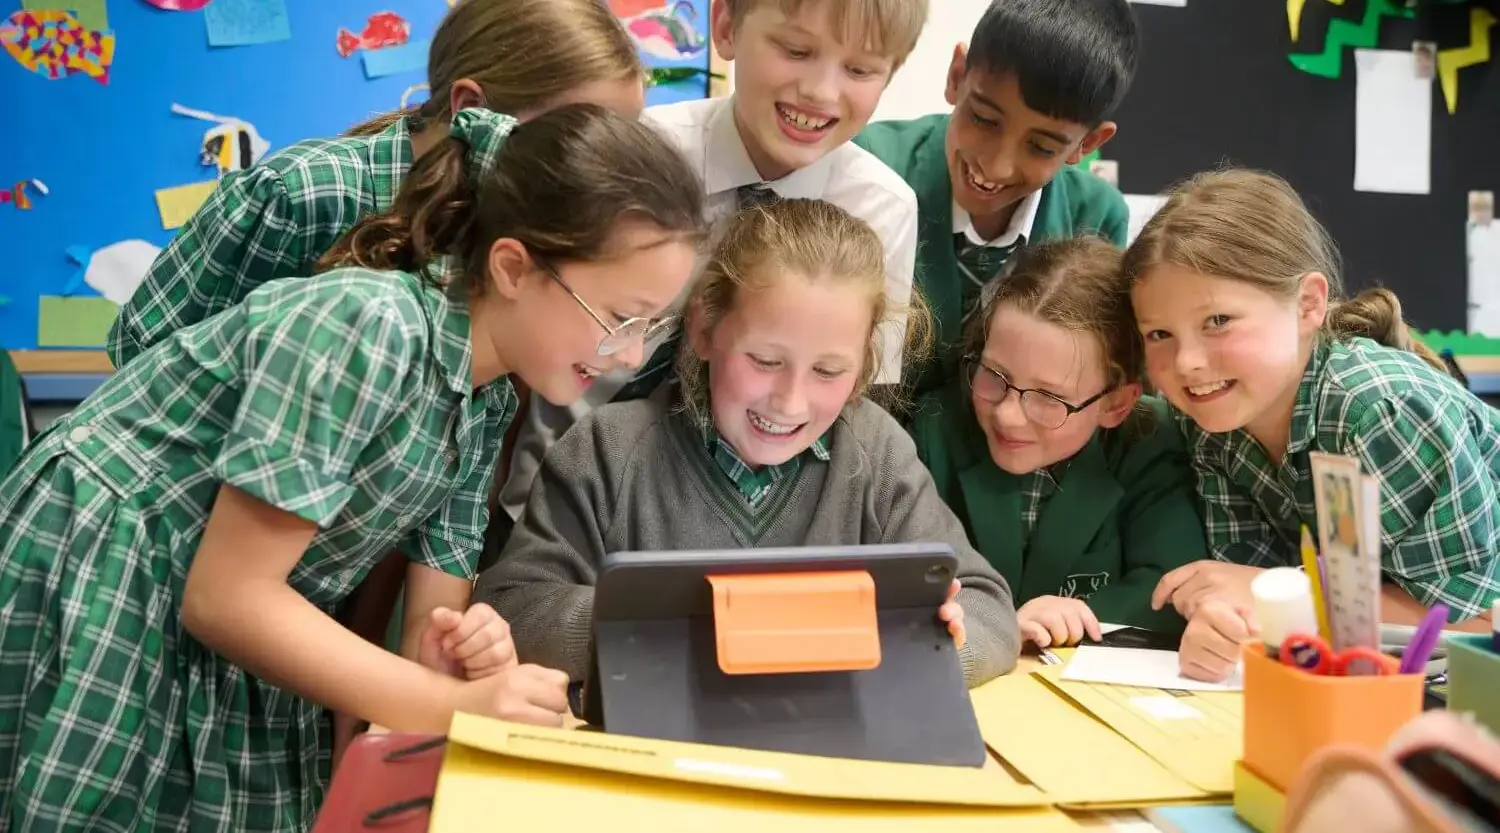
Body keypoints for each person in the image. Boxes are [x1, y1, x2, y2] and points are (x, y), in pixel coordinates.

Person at [0, 105, 705, 832]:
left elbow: (426, 641)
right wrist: (455, 705)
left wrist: (464, 658)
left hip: (221, 616)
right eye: (621, 316)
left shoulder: (484, 397)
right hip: (112, 578)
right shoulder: (368, 326)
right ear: (513, 267)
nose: (629, 355)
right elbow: (227, 597)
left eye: (652, 327)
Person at [475, 198, 1021, 686]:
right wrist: (672, 628)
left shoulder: (878, 454)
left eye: (829, 371)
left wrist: (939, 637)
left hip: (827, 761)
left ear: (861, 373)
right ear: (705, 330)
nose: (789, 401)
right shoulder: (607, 451)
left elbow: (988, 607)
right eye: (764, 361)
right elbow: (512, 610)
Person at [493, 0, 929, 527]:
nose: (820, 91)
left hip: (729, 531)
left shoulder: (883, 209)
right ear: (725, 27)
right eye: (795, 50)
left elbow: (854, 401)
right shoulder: (640, 151)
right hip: (547, 503)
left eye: (859, 69)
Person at [107, 0, 645, 368]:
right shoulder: (304, 193)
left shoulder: (505, 241)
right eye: (579, 138)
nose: (597, 169)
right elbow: (145, 355)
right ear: (471, 108)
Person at [1120, 168, 1500, 682]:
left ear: (1309, 305)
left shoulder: (1381, 409)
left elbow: (1469, 623)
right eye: (1160, 333)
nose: (1186, 362)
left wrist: (1260, 593)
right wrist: (1227, 626)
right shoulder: (1212, 420)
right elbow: (1272, 605)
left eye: (1218, 322)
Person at [912, 237, 1204, 646]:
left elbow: (1172, 592)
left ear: (1117, 405)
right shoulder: (932, 430)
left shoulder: (1151, 443)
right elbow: (901, 589)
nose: (1007, 414)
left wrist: (1069, 621)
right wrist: (1002, 626)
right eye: (993, 376)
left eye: (1049, 398)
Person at [854, 0, 1137, 399]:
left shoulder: (1097, 217)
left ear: (1087, 143)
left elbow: (1086, 381)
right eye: (984, 119)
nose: (997, 165)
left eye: (1040, 147)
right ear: (956, 77)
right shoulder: (869, 168)